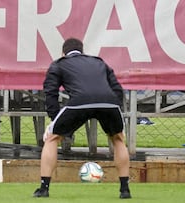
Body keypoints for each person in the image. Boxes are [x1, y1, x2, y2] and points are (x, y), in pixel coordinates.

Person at [33, 38, 131, 199]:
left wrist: (55, 121)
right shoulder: (100, 62)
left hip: (79, 102)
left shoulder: (59, 64)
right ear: (82, 51)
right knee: (118, 139)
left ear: (63, 52)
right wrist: (116, 108)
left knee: (52, 138)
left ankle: (44, 188)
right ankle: (124, 190)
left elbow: (50, 93)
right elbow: (117, 89)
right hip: (109, 103)